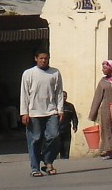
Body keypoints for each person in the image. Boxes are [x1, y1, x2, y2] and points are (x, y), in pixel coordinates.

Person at [19, 48, 64, 177]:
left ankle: (47, 160)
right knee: (35, 139)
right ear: (36, 59)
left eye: (46, 58)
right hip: (34, 112)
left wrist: (60, 109)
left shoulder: (55, 73)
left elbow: (59, 92)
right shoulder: (28, 73)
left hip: (51, 111)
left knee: (54, 136)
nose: (43, 61)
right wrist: (24, 112)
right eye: (41, 58)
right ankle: (35, 168)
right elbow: (24, 94)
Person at [58, 91, 79, 159]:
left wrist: (75, 126)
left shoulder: (70, 106)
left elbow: (74, 117)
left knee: (66, 146)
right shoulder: (55, 106)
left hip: (66, 129)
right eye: (62, 96)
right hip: (57, 129)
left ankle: (65, 159)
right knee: (57, 146)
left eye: (65, 96)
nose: (63, 98)